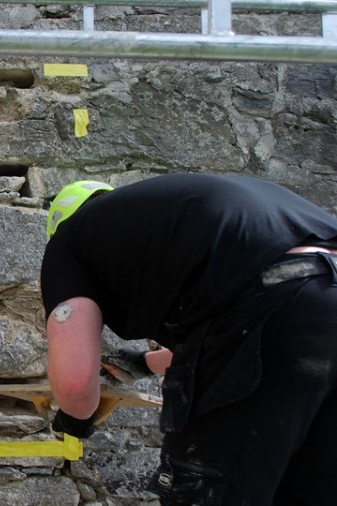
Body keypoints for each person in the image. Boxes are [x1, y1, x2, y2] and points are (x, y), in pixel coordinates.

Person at [40, 173, 337, 505]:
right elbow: (251, 325)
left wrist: (74, 421)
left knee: (204, 490)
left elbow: (75, 384)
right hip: (318, 291)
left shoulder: (70, 239)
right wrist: (144, 364)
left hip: (271, 302)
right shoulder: (171, 216)